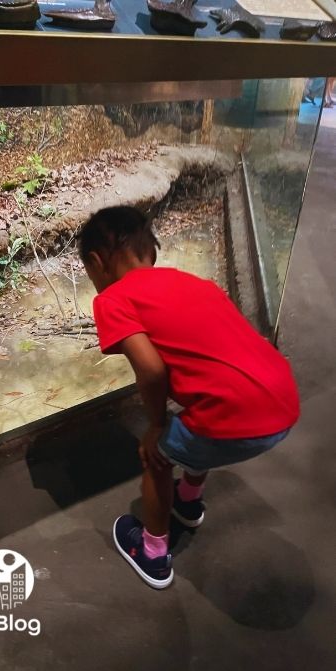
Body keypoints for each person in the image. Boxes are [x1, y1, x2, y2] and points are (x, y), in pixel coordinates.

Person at [77, 206, 300, 590]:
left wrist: (156, 426)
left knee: (158, 456)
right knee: (196, 421)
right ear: (153, 253)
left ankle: (152, 552)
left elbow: (150, 370)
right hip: (284, 401)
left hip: (234, 420)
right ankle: (189, 500)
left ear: (97, 263)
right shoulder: (197, 284)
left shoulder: (112, 300)